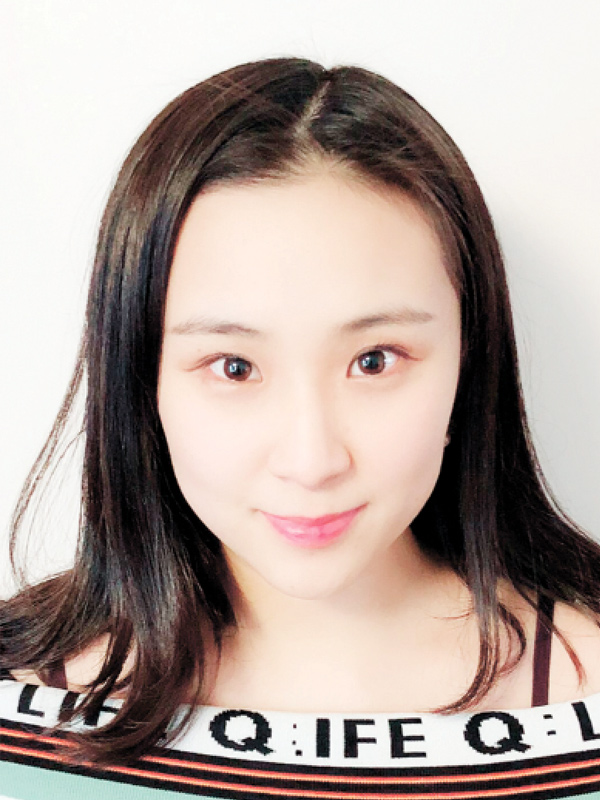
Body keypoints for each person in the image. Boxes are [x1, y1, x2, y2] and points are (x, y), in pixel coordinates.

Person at [1, 56, 600, 799]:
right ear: (141, 379)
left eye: (374, 361)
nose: (311, 460)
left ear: (468, 360)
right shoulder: (20, 715)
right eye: (234, 367)